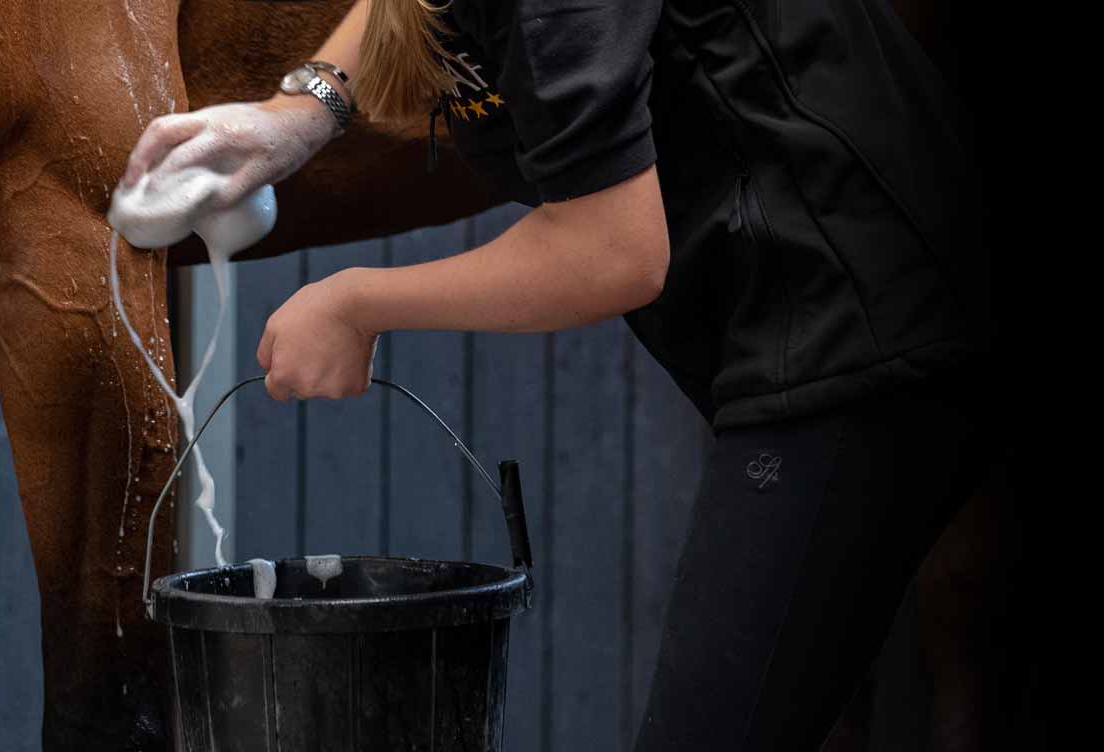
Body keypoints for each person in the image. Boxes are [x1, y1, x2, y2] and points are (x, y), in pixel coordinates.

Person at [116, 0, 998, 749]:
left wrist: (356, 302)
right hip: (826, 322)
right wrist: (295, 116)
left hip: (858, 333)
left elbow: (613, 247)